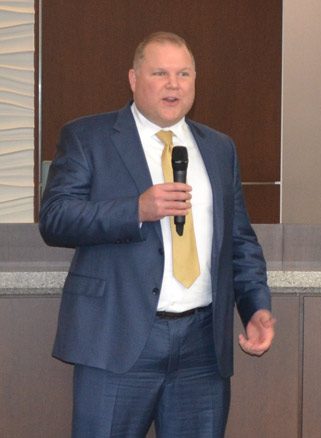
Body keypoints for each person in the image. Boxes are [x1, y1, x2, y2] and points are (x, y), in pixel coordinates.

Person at [39, 31, 275, 437]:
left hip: (202, 347)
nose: (174, 84)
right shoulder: (89, 137)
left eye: (184, 74)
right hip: (116, 339)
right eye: (161, 73)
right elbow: (56, 218)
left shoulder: (219, 148)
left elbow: (239, 240)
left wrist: (255, 306)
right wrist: (136, 209)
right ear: (133, 79)